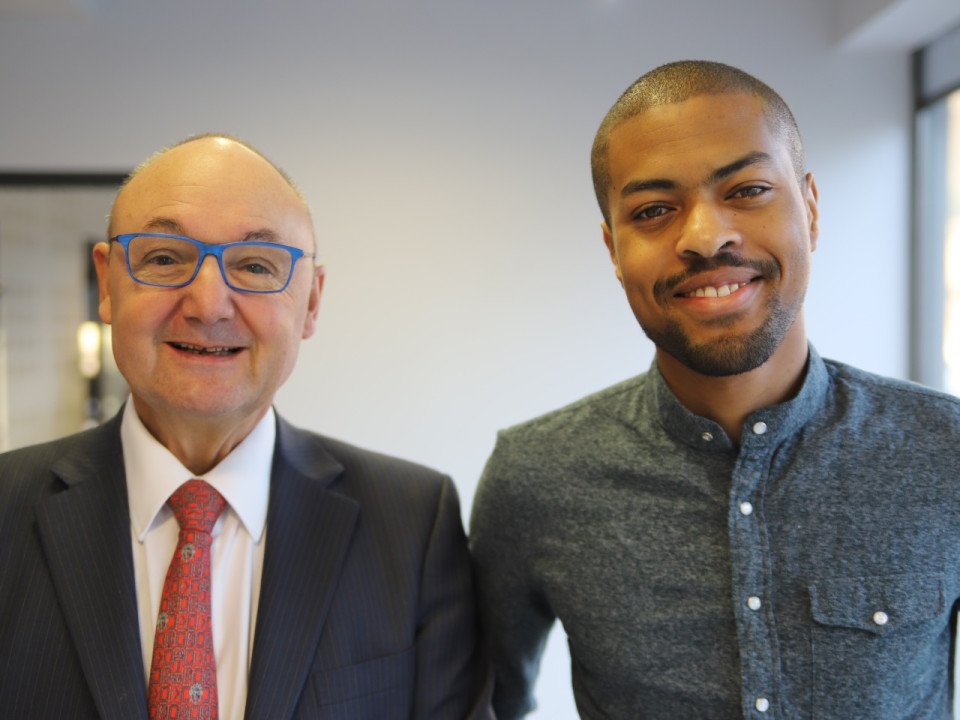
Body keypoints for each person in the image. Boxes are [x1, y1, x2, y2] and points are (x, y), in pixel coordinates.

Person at [470, 60, 960, 719]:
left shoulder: (945, 450)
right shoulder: (533, 478)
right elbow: (484, 704)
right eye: (654, 211)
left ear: (810, 209)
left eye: (748, 190)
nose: (705, 237)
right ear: (614, 249)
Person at [0, 134, 492, 719]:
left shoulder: (413, 522)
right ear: (107, 285)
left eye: (255, 266)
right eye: (164, 259)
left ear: (311, 303)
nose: (209, 304)